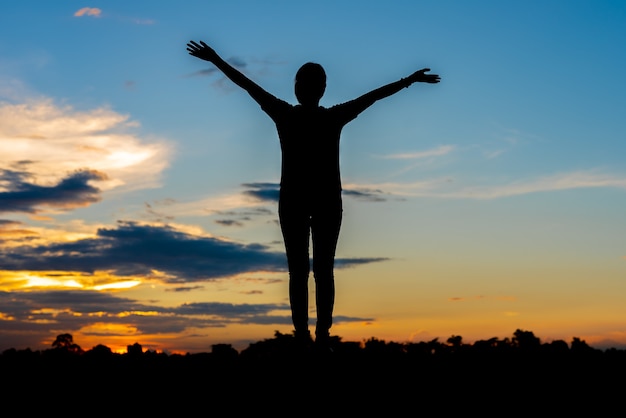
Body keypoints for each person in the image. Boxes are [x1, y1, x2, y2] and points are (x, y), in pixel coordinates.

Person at [186, 40, 440, 349]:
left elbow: (247, 86)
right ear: (320, 89)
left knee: (304, 271)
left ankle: (309, 336)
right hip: (320, 202)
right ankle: (315, 336)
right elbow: (372, 97)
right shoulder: (327, 117)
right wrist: (407, 81)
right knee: (319, 271)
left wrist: (215, 60)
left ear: (302, 89)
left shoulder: (291, 114)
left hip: (306, 202)